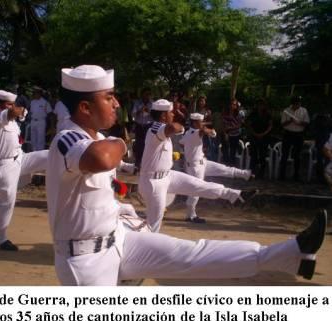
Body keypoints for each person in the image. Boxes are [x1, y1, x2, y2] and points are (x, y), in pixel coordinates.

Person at [46, 64, 327, 286]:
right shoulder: (68, 138)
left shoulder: (94, 138)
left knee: (191, 253)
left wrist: (122, 210)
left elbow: (93, 194)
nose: (117, 103)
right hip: (86, 260)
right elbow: (101, 158)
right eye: (108, 97)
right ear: (85, 107)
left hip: (119, 238)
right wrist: (121, 142)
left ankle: (288, 255)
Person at [139, 99, 256, 232]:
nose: (173, 115)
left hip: (168, 175)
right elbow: (174, 128)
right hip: (153, 182)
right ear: (163, 115)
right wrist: (182, 127)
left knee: (200, 186)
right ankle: (147, 245)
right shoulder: (155, 129)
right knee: (153, 225)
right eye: (170, 113)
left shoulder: (164, 130)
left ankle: (235, 195)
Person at [0, 90, 48, 251]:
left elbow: (16, 116)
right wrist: (21, 106)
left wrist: (22, 112)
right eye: (10, 104)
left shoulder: (13, 121)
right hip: (4, 166)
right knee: (7, 198)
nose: (13, 107)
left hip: (20, 158)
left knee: (50, 155)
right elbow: (12, 113)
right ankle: (0, 239)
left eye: (14, 104)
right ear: (1, 105)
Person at [179, 113, 253, 223]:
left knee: (223, 168)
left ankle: (246, 174)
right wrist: (207, 129)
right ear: (195, 122)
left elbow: (182, 143)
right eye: (200, 122)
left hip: (202, 162)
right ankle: (190, 215)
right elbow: (209, 132)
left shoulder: (188, 133)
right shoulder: (196, 132)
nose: (202, 123)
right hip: (195, 168)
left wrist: (194, 150)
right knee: (195, 192)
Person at [279, 96, 310, 181]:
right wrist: (290, 121)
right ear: (292, 103)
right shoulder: (286, 110)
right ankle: (282, 175)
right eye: (296, 103)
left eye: (299, 103)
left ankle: (296, 175)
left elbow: (307, 123)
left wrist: (300, 122)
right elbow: (282, 124)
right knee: (284, 155)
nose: (298, 105)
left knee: (297, 155)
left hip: (299, 134)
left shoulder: (304, 110)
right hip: (288, 134)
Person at [247, 98, 273, 179]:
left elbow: (270, 126)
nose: (260, 106)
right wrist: (255, 134)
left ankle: (261, 174)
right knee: (253, 155)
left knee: (263, 156)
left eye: (262, 104)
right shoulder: (253, 114)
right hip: (254, 136)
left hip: (264, 137)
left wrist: (263, 134)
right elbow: (248, 125)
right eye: (259, 104)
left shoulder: (268, 114)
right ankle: (251, 173)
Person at [131, 87, 153, 169]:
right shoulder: (137, 103)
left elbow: (155, 116)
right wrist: (140, 110)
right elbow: (133, 114)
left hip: (149, 126)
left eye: (149, 94)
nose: (148, 96)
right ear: (142, 95)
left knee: (148, 144)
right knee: (139, 144)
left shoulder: (152, 104)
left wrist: (148, 111)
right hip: (139, 125)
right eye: (146, 94)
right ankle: (138, 164)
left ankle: (148, 163)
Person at [221, 99, 244, 166]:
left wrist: (230, 128)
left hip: (236, 134)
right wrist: (225, 133)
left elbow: (240, 125)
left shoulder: (240, 113)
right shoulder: (226, 113)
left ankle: (232, 164)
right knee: (225, 149)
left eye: (234, 104)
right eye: (231, 104)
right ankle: (226, 164)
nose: (232, 106)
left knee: (233, 151)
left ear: (236, 106)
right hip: (227, 133)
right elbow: (224, 124)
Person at [30, 86, 52, 151]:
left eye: (36, 93)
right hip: (33, 121)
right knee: (33, 138)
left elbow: (50, 113)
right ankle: (33, 152)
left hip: (41, 121)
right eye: (34, 93)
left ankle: (40, 153)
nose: (35, 94)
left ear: (40, 93)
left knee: (40, 139)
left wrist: (51, 124)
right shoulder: (32, 102)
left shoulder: (45, 102)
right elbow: (31, 112)